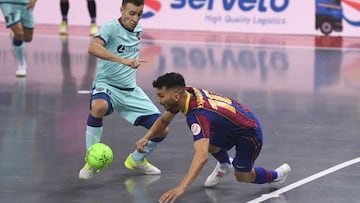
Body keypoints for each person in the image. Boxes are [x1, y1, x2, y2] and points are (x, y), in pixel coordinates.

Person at [135, 72, 292, 203]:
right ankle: (225, 164)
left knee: (243, 176)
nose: (158, 100)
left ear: (175, 96)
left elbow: (201, 157)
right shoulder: (187, 94)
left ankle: (276, 176)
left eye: (161, 96)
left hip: (248, 133)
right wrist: (146, 137)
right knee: (209, 145)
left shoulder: (197, 115)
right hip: (229, 125)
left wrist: (181, 188)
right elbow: (163, 120)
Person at [78, 0, 168, 180]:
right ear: (122, 10)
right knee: (98, 107)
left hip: (129, 90)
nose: (135, 18)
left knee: (162, 129)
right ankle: (91, 158)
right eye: (131, 13)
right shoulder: (110, 28)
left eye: (139, 14)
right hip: (107, 84)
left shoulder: (138, 30)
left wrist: (131, 61)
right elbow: (92, 48)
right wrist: (122, 60)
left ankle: (136, 160)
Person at [0, 0, 37, 77]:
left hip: (25, 2)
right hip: (7, 2)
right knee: (19, 34)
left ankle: (15, 37)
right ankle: (21, 64)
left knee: (28, 38)